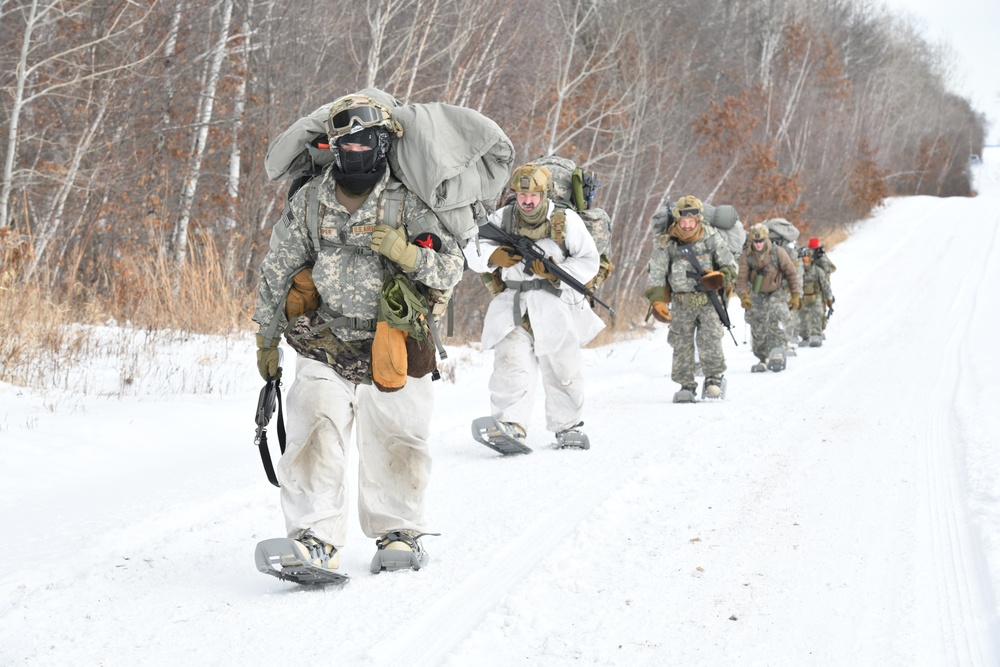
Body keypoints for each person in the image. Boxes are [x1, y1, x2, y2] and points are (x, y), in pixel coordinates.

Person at [252, 93, 466, 579]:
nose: (355, 150)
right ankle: (314, 539)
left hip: (398, 342)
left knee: (398, 439)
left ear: (384, 142)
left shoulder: (410, 200)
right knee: (312, 433)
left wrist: (407, 254)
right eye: (345, 142)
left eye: (365, 141)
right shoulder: (311, 200)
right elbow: (277, 269)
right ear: (333, 145)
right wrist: (266, 337)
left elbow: (451, 268)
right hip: (324, 339)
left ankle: (399, 533)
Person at [464, 162, 604, 453]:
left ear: (545, 194)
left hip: (554, 305)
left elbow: (589, 261)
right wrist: (494, 256)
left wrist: (554, 272)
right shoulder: (502, 218)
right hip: (512, 303)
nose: (527, 201)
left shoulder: (565, 221)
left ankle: (568, 427)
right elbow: (472, 248)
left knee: (562, 367)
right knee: (510, 365)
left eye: (533, 196)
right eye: (521, 194)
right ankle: (511, 425)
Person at [645, 195, 738, 402]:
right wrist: (657, 300)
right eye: (684, 221)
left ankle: (714, 380)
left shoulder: (712, 238)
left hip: (709, 301)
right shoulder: (667, 243)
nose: (687, 226)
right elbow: (657, 272)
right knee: (681, 343)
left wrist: (719, 277)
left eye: (691, 221)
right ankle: (686, 385)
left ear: (698, 220)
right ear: (678, 220)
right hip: (681, 302)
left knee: (711, 340)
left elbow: (730, 266)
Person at [736, 223, 801, 372]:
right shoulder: (747, 256)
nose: (758, 244)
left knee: (776, 315)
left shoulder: (778, 252)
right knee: (757, 324)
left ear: (766, 239)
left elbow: (791, 273)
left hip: (776, 291)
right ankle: (762, 357)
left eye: (761, 241)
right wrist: (744, 296)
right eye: (755, 241)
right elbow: (741, 278)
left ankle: (777, 350)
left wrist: (795, 295)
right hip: (757, 293)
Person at [797, 237, 834, 347]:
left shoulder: (818, 270)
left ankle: (816, 334)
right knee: (802, 316)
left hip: (816, 295)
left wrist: (829, 298)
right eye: (804, 260)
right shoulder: (799, 272)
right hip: (803, 297)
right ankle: (805, 336)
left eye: (808, 260)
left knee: (817, 313)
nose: (806, 262)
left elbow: (825, 285)